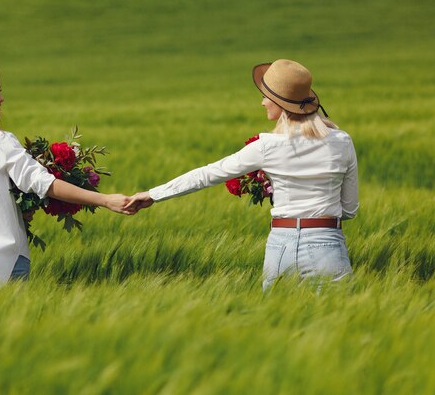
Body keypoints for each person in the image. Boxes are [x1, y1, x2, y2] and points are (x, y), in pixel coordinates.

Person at [126, 59, 359, 290]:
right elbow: (349, 210)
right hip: (328, 246)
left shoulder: (267, 146)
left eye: (267, 96)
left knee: (275, 324)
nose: (263, 102)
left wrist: (153, 195)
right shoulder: (342, 141)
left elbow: (208, 174)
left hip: (282, 246)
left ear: (281, 103)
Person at [0, 64, 133, 288]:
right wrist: (106, 200)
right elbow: (46, 184)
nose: (1, 98)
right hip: (2, 259)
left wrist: (19, 208)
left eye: (0, 91)